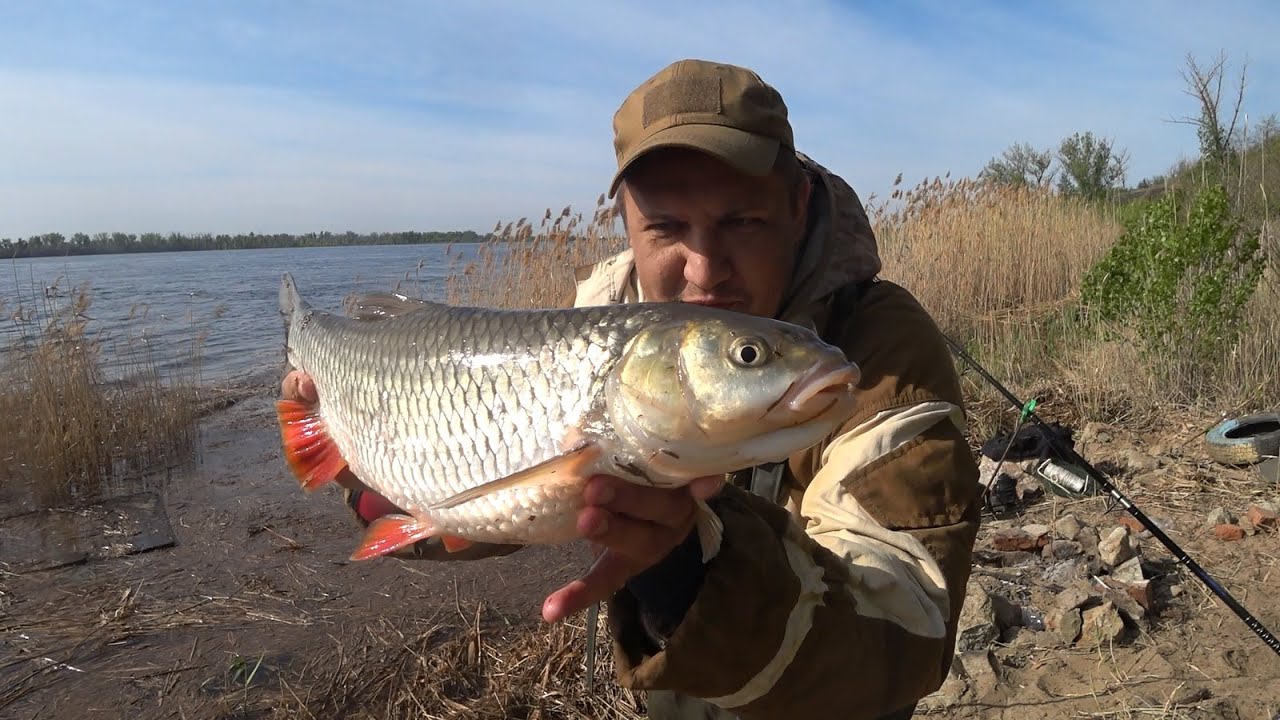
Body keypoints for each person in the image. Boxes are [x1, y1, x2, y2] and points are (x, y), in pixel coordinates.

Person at [280, 59, 981, 719]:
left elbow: (907, 635)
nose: (704, 270)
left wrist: (690, 570)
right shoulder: (597, 322)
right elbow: (499, 505)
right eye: (667, 227)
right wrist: (365, 484)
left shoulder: (879, 353)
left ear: (798, 206)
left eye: (742, 222)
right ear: (625, 221)